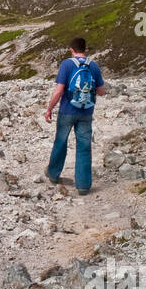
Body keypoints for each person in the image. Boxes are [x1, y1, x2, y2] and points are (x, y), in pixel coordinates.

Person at [44, 37, 106, 194]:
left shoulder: (66, 64)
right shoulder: (94, 65)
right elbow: (101, 91)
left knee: (61, 141)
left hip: (67, 110)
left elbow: (59, 90)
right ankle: (84, 185)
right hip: (86, 112)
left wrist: (49, 108)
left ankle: (53, 174)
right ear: (85, 49)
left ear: (71, 50)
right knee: (84, 147)